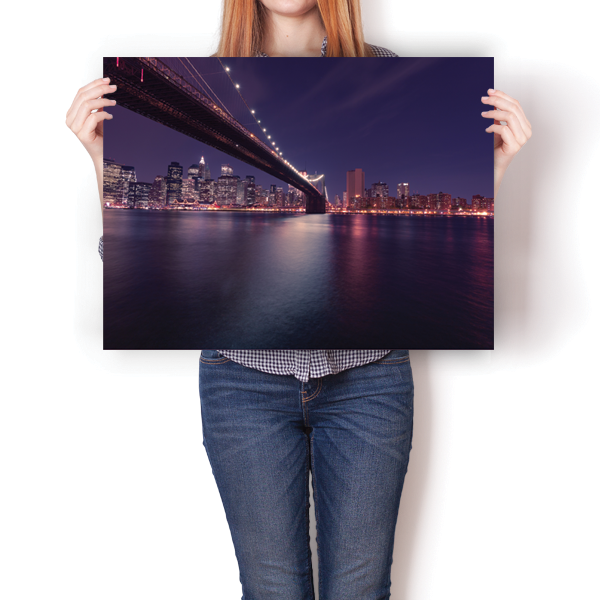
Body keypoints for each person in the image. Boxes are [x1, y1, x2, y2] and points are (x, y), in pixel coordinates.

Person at [65, 0, 532, 597]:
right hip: (242, 384)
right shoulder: (196, 69)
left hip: (369, 383)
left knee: (360, 591)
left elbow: (470, 245)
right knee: (271, 590)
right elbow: (125, 268)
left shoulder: (381, 68)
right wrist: (100, 160)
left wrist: (488, 171)